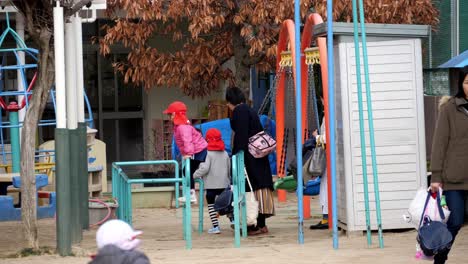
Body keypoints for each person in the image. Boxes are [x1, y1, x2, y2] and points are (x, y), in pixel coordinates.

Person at [430, 66, 468, 264]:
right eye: (467, 82)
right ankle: (440, 257)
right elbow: (439, 143)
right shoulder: (449, 108)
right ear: (460, 84)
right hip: (454, 177)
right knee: (455, 221)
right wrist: (436, 176)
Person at [226, 86, 275, 236]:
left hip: (249, 158)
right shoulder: (249, 110)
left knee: (250, 190)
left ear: (230, 101)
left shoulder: (239, 111)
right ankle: (262, 224)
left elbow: (241, 134)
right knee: (260, 188)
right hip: (258, 156)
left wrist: (235, 154)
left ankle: (252, 224)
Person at [163, 101, 208, 204]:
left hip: (198, 151)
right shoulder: (180, 125)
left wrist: (188, 153)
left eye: (170, 114)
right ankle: (190, 193)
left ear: (174, 114)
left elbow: (187, 141)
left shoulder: (182, 127)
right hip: (197, 150)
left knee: (187, 171)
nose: (169, 117)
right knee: (187, 171)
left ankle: (191, 195)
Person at [193, 128, 231, 234]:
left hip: (211, 185)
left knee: (211, 205)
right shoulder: (225, 153)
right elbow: (229, 169)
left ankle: (216, 226)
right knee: (227, 204)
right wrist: (228, 179)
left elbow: (204, 168)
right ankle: (233, 221)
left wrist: (194, 175)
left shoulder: (208, 153)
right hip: (224, 184)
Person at [310, 96, 329, 230]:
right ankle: (327, 216)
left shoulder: (327, 116)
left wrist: (316, 136)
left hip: (328, 156)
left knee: (325, 187)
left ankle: (326, 217)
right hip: (331, 156)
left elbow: (326, 139)